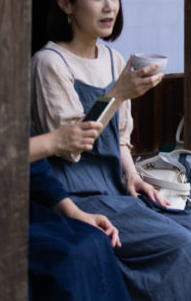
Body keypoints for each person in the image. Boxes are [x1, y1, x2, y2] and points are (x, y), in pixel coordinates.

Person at [30, 0, 191, 301]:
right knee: (181, 245)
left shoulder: (114, 60)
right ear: (66, 3)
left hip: (118, 190)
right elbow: (70, 146)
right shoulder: (50, 62)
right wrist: (117, 93)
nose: (110, 7)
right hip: (78, 194)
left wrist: (132, 177)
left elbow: (121, 140)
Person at [29, 125, 130, 301]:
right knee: (68, 256)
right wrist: (53, 141)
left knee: (95, 239)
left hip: (28, 207)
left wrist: (74, 212)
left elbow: (37, 173)